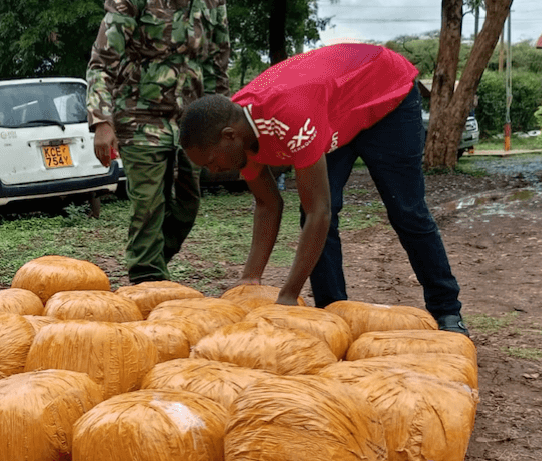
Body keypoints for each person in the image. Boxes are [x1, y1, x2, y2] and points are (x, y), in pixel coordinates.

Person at [178, 42, 470, 336]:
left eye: (212, 162)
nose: (212, 171)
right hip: (333, 113)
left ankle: (447, 311)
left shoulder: (289, 115)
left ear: (229, 137)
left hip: (384, 95)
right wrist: (249, 280)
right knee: (311, 216)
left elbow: (321, 210)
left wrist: (288, 295)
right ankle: (333, 315)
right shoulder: (235, 128)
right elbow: (268, 204)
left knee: (406, 210)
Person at [86, 0, 231, 284]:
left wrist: (224, 123)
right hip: (140, 119)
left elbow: (217, 63)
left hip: (192, 121)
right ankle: (147, 281)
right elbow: (103, 61)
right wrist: (102, 122)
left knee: (187, 206)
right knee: (148, 206)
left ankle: (151, 267)